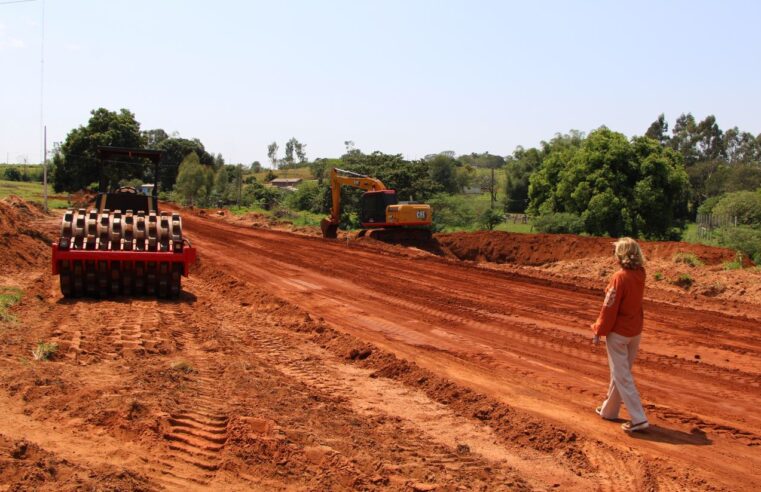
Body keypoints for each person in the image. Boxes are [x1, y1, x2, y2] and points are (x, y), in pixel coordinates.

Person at [591, 237, 649, 432]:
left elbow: (609, 307)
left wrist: (599, 329)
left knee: (622, 375)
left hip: (619, 333)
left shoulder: (619, 277)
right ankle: (609, 411)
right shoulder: (641, 273)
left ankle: (639, 418)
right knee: (621, 373)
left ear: (621, 255)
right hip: (635, 330)